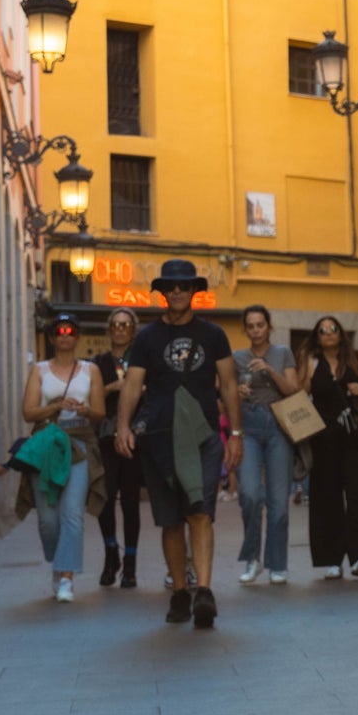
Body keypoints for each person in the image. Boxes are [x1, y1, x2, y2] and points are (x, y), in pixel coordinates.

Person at [115, 259, 243, 629]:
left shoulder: (214, 334)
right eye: (170, 287)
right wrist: (123, 426)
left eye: (183, 286)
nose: (176, 292)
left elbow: (230, 385)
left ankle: (204, 591)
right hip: (159, 439)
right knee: (170, 521)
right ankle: (180, 592)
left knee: (200, 511)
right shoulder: (146, 339)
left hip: (203, 436)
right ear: (161, 291)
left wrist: (236, 434)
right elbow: (133, 385)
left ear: (194, 290)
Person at [17, 315, 105, 602]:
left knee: (72, 514)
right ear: (52, 338)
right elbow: (29, 412)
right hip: (46, 444)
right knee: (47, 519)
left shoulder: (91, 370)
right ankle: (59, 564)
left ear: (77, 337)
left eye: (71, 331)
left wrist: (83, 410)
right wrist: (53, 406)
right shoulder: (39, 370)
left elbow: (100, 413)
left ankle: (66, 576)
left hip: (79, 442)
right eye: (59, 331)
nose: (65, 335)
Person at [297, 317, 358, 579]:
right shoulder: (312, 363)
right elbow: (300, 395)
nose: (328, 333)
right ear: (317, 337)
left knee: (357, 495)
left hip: (355, 437)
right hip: (324, 440)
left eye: (333, 329)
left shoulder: (356, 358)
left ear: (341, 333)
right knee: (327, 498)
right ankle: (332, 559)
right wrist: (304, 362)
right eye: (322, 331)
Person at [233, 303, 298, 584]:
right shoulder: (236, 358)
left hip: (278, 426)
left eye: (260, 325)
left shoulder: (283, 353)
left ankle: (277, 563)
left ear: (268, 327)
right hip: (248, 425)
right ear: (245, 329)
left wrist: (270, 370)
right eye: (251, 326)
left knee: (278, 502)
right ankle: (252, 559)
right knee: (248, 494)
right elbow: (224, 398)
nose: (256, 330)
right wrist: (237, 392)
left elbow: (293, 391)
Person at [93, 307, 143, 588]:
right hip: (105, 437)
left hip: (135, 436)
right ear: (109, 330)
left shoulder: (141, 360)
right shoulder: (98, 363)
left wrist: (136, 388)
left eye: (126, 325)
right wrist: (114, 387)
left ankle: (131, 563)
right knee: (105, 496)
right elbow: (90, 394)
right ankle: (111, 552)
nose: (120, 329)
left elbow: (152, 389)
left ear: (133, 330)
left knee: (131, 500)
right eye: (116, 325)